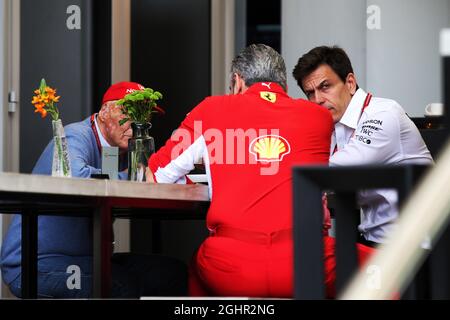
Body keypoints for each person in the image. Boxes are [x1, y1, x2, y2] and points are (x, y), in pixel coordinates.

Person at [145, 44, 373, 298]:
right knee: (382, 266)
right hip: (307, 262)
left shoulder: (210, 109)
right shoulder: (319, 117)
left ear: (237, 82)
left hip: (231, 265)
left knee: (198, 270)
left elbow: (155, 175)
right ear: (284, 86)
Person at [0, 82, 187, 298]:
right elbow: (75, 177)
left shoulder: (123, 151)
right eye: (128, 112)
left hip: (88, 259)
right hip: (36, 264)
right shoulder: (75, 135)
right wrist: (134, 177)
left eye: (144, 115)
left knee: (172, 273)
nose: (137, 123)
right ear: (105, 111)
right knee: (119, 285)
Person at [292, 46, 433, 247]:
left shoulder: (383, 113)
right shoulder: (334, 124)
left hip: (418, 246)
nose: (318, 100)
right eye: (310, 93)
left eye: (325, 87)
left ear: (350, 83)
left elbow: (340, 170)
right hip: (375, 239)